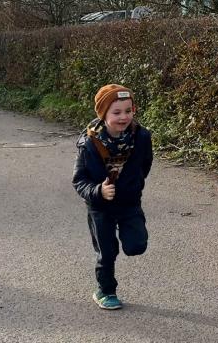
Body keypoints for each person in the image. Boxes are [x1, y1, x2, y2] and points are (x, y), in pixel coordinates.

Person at [72, 84, 154, 310]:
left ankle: (126, 233)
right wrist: (99, 191)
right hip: (100, 206)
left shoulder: (142, 137)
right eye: (116, 112)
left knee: (137, 245)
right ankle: (106, 291)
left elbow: (144, 165)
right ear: (103, 114)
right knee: (107, 251)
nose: (124, 117)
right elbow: (79, 180)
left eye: (128, 111)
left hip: (129, 203)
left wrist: (133, 185)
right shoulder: (89, 143)